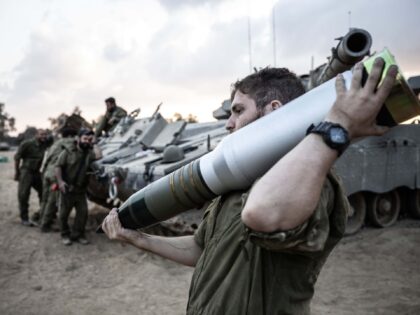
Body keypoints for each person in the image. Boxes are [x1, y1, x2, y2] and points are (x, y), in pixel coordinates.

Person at [102, 59, 397, 314]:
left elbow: (262, 214)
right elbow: (200, 247)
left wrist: (339, 124)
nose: (229, 123)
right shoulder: (233, 184)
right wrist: (139, 239)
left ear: (273, 110)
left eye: (238, 110)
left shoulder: (314, 184)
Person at [55, 128, 102, 245]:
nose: (87, 141)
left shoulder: (89, 153)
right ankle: (65, 234)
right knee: (64, 214)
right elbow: (58, 166)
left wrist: (94, 143)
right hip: (67, 189)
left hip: (80, 191)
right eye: (85, 139)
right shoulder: (67, 152)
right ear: (78, 139)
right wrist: (60, 182)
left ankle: (77, 234)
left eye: (89, 139)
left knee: (83, 214)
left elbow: (99, 156)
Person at [39, 127, 78, 232]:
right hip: (55, 175)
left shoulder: (55, 143)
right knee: (52, 202)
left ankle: (41, 220)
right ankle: (45, 225)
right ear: (70, 136)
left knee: (44, 199)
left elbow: (47, 159)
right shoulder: (70, 142)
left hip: (47, 173)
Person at [14, 129, 49, 226]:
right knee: (23, 195)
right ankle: (24, 218)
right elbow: (17, 157)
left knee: (44, 191)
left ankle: (42, 213)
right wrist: (17, 172)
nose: (44, 137)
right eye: (42, 134)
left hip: (36, 172)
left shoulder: (44, 144)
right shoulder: (27, 144)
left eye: (45, 135)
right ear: (36, 135)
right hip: (26, 172)